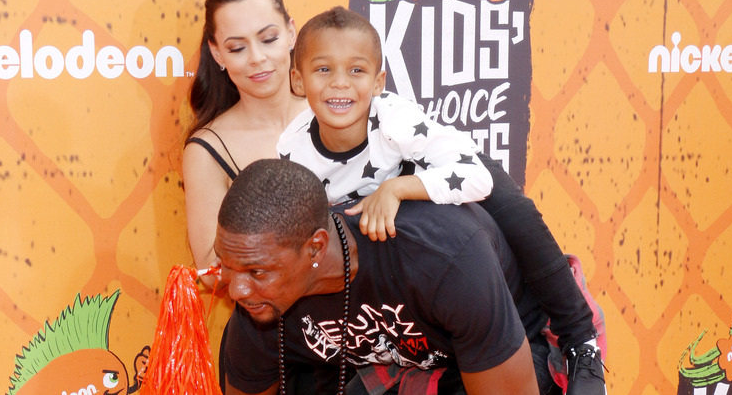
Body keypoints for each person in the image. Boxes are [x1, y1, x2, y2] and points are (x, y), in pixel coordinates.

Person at [278, 6, 606, 394]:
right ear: (298, 80)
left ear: (380, 81)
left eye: (356, 70)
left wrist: (396, 188)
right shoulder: (291, 150)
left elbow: (475, 177)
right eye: (323, 70)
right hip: (386, 253)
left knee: (515, 209)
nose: (339, 84)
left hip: (447, 177)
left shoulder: (397, 122)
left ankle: (580, 340)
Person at [216, 158, 546, 395]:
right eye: (226, 264)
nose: (236, 289)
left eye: (257, 271)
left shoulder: (440, 258)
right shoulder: (259, 304)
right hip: (395, 375)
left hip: (509, 360)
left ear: (316, 248)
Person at [182, 0, 307, 285]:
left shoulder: (339, 110)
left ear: (291, 34)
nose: (257, 57)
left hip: (370, 323)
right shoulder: (208, 149)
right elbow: (210, 274)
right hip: (271, 331)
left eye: (269, 39)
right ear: (217, 53)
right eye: (237, 47)